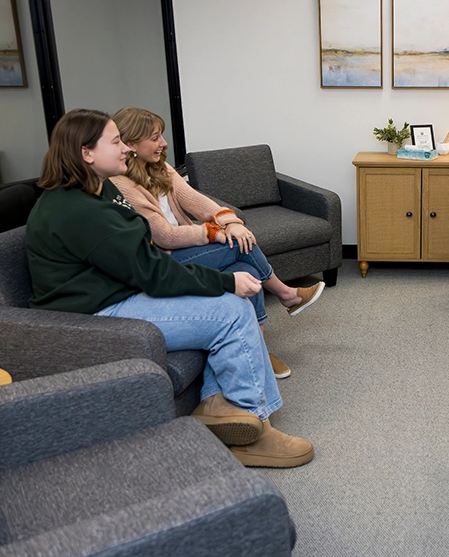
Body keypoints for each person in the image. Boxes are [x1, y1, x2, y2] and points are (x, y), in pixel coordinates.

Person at [26, 108, 314, 468]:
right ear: (86, 154)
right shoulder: (77, 210)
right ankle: (255, 429)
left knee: (228, 301)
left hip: (122, 292)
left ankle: (217, 405)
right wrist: (226, 281)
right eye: (116, 143)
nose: (126, 150)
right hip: (99, 316)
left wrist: (222, 277)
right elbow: (153, 272)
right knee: (230, 311)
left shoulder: (95, 192)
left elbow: (145, 255)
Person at [110, 106, 323, 380]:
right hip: (163, 260)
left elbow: (197, 202)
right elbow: (163, 235)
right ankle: (285, 294)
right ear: (131, 144)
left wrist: (229, 220)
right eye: (155, 137)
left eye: (161, 135)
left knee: (244, 270)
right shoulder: (120, 183)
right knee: (235, 245)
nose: (163, 143)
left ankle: (258, 345)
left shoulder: (160, 167)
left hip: (187, 249)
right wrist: (212, 233)